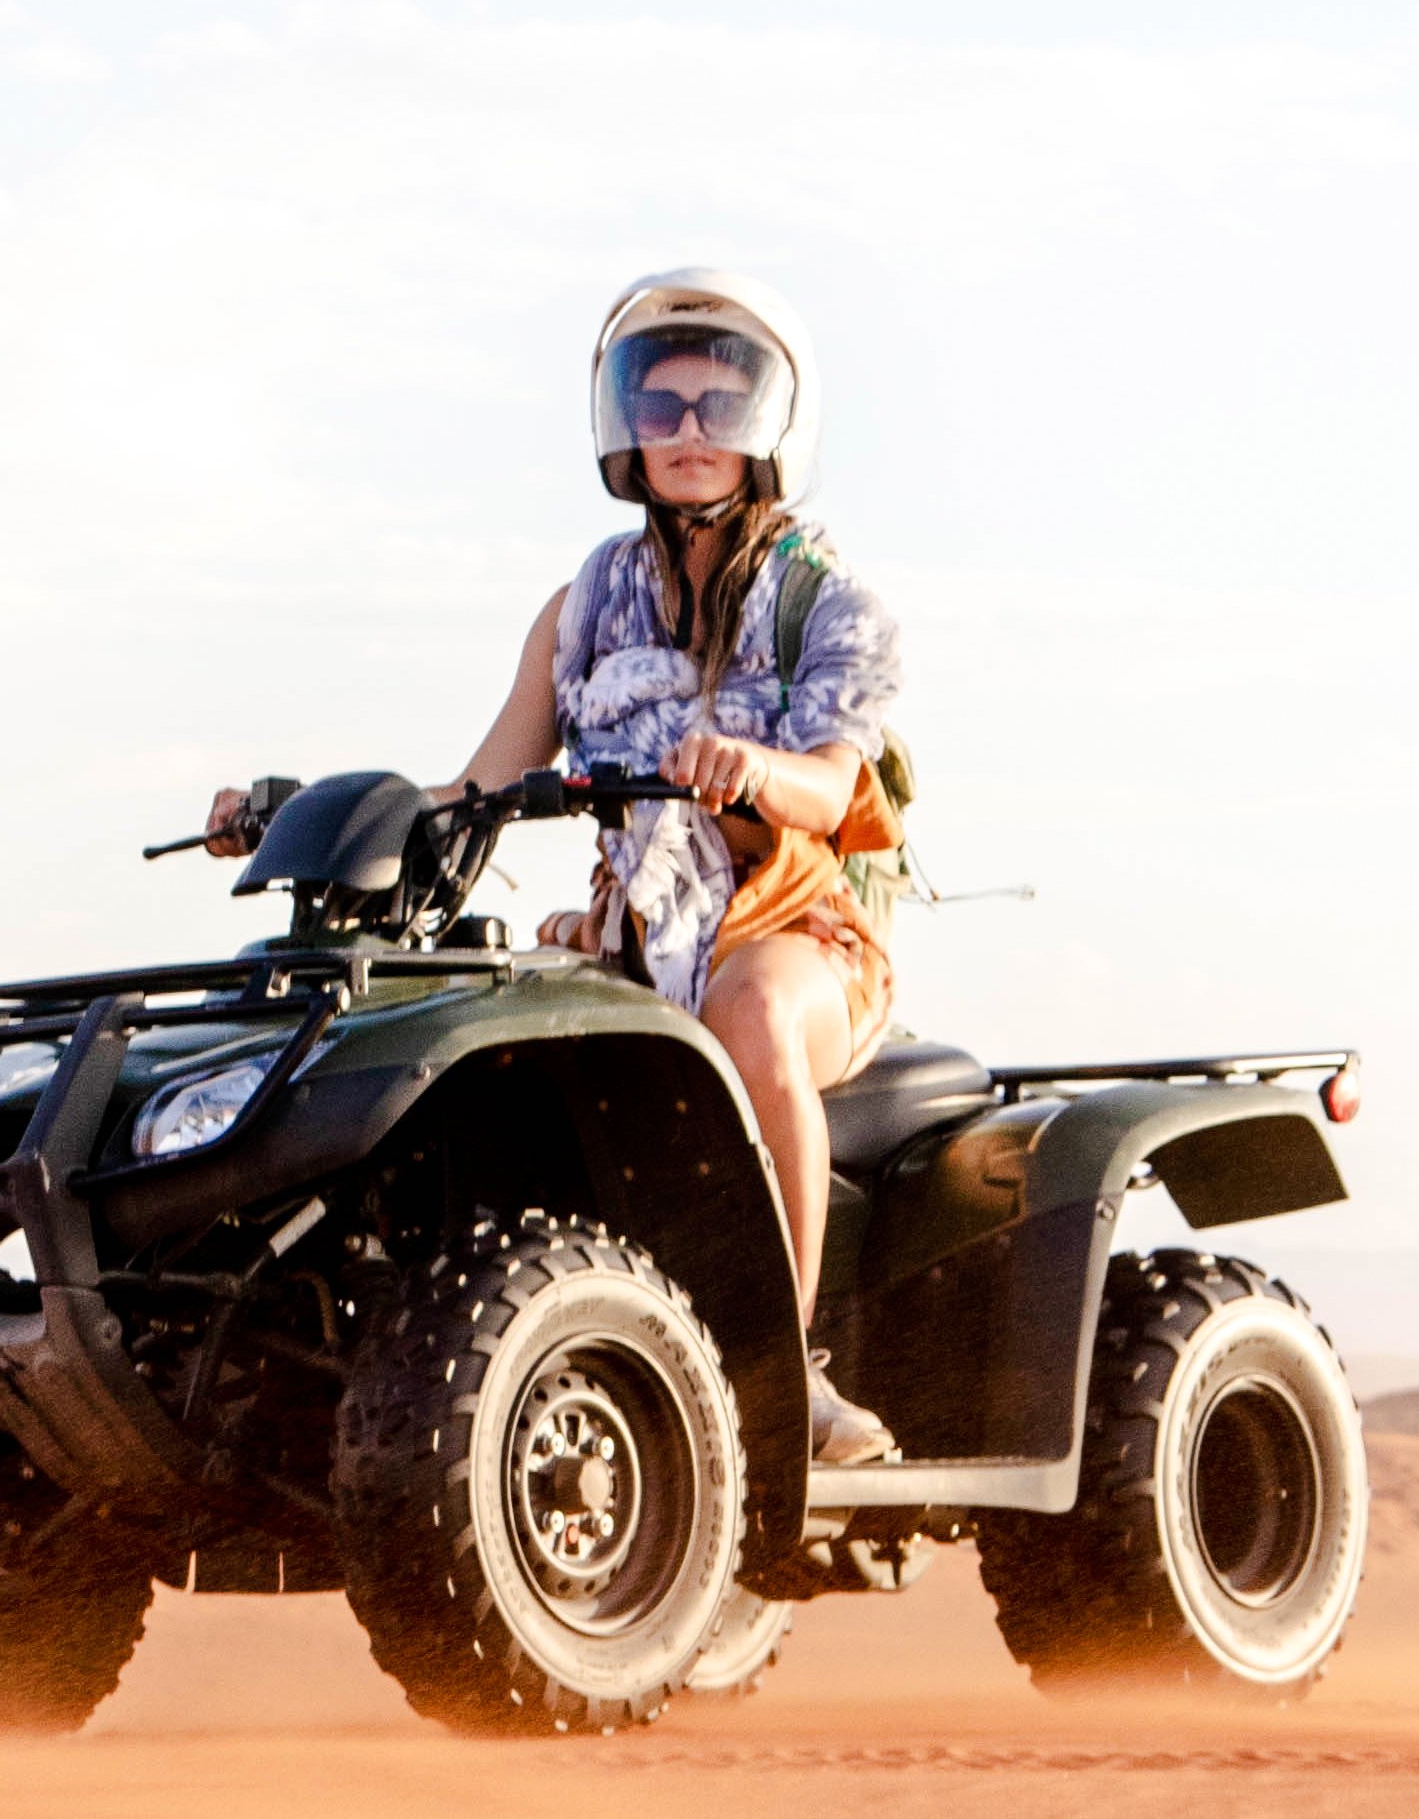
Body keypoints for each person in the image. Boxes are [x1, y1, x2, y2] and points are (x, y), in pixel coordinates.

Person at [208, 267, 913, 1459]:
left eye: (719, 408)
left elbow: (839, 788)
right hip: (634, 940)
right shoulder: (585, 606)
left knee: (748, 1015)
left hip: (795, 932)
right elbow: (475, 789)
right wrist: (296, 811)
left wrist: (746, 768)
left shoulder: (825, 598)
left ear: (768, 429)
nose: (689, 433)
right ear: (624, 427)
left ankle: (784, 1378)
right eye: (662, 405)